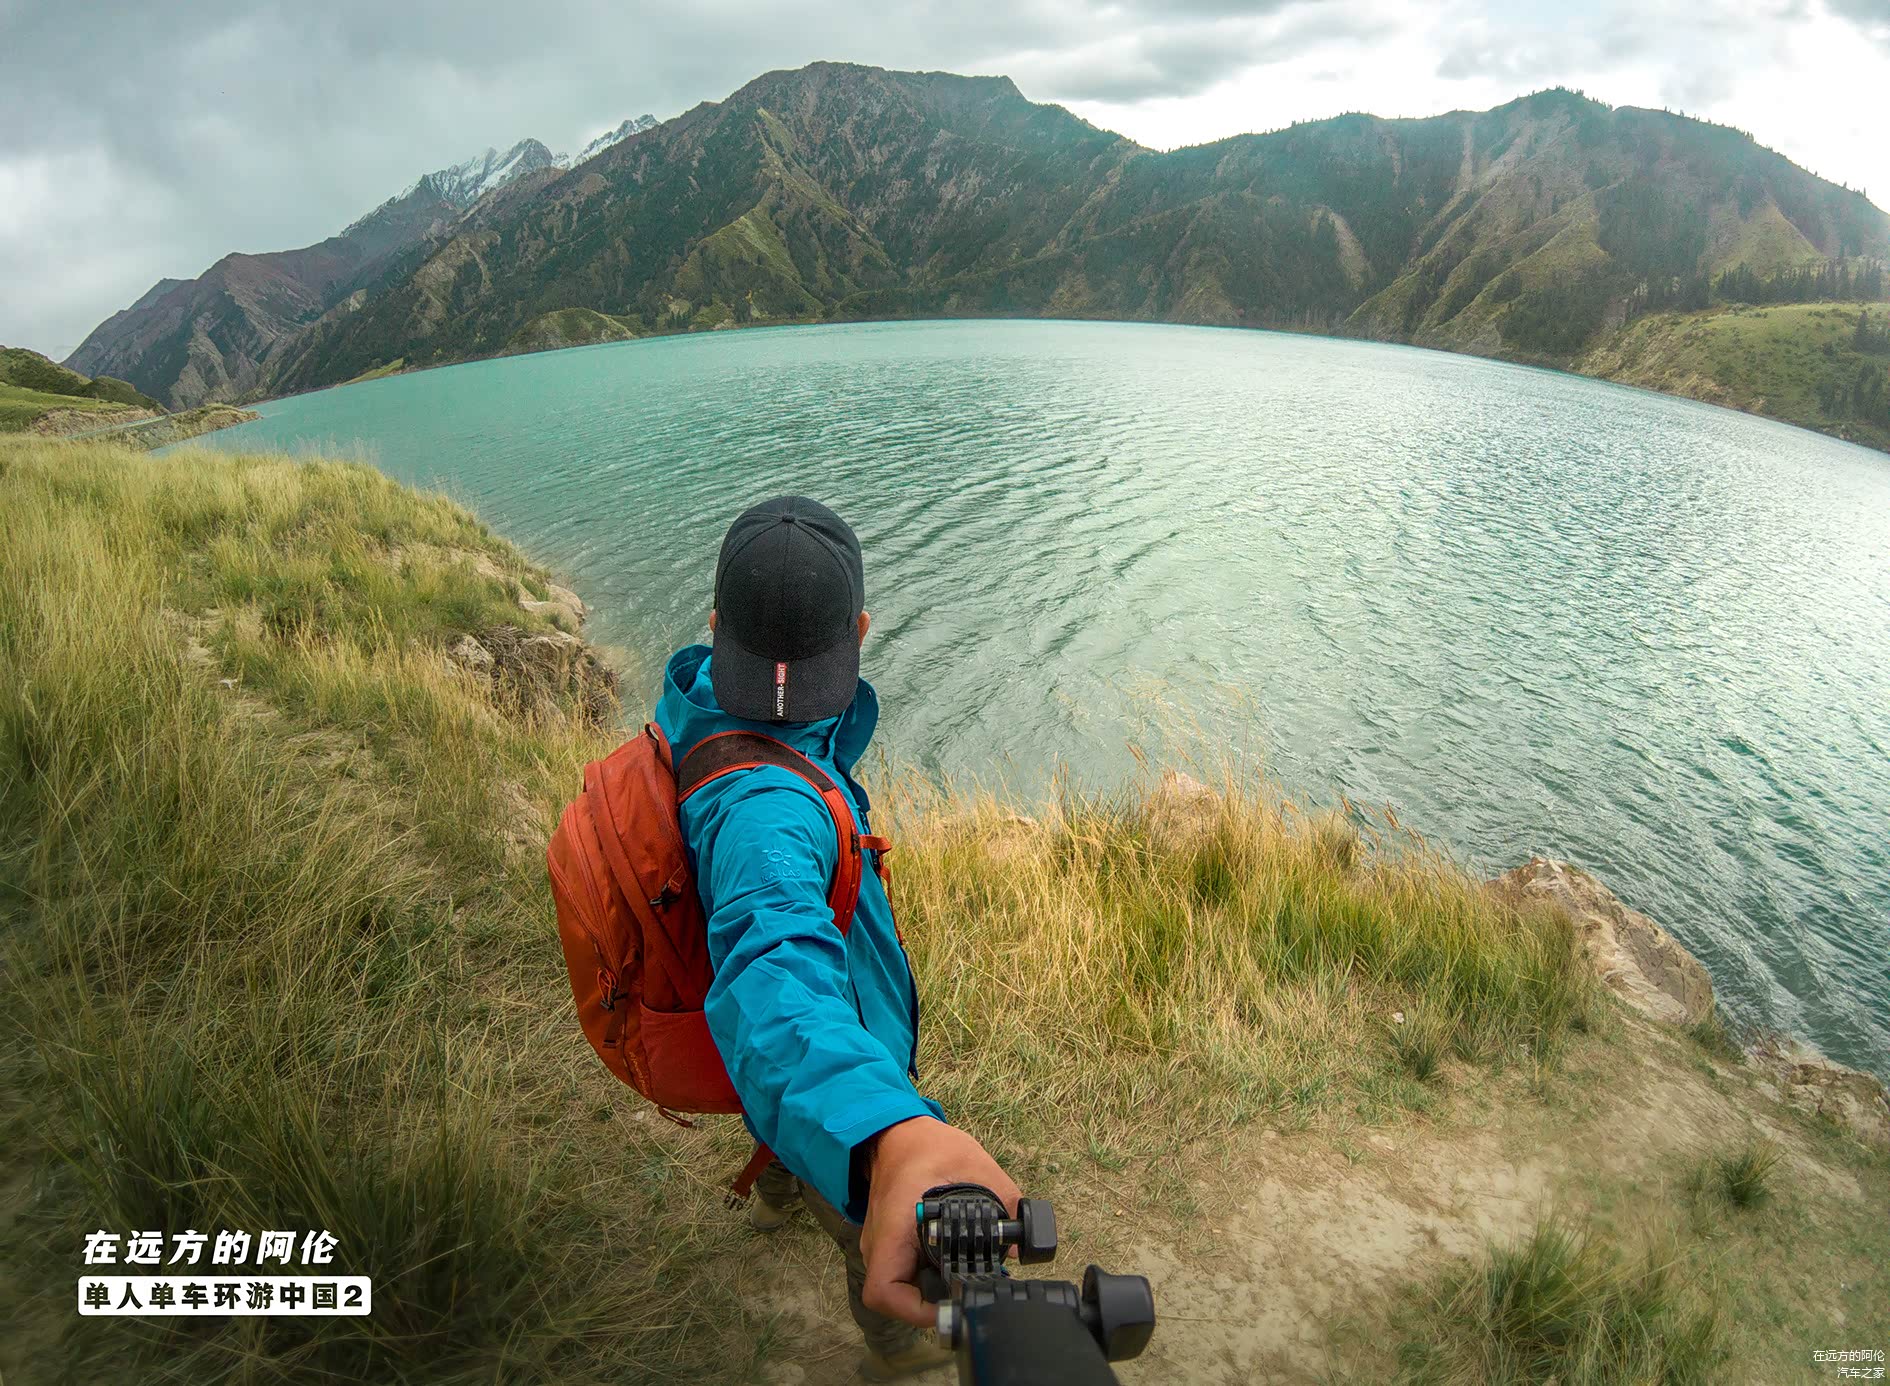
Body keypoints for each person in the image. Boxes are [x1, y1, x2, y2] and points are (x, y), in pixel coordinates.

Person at [653, 495, 1021, 1381]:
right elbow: (777, 970)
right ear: (861, 630)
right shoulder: (769, 812)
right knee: (871, 1229)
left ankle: (778, 1185)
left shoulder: (710, 713)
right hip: (833, 1051)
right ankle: (895, 1345)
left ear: (715, 627)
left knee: (786, 1110)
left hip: (798, 1056)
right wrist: (885, 1129)